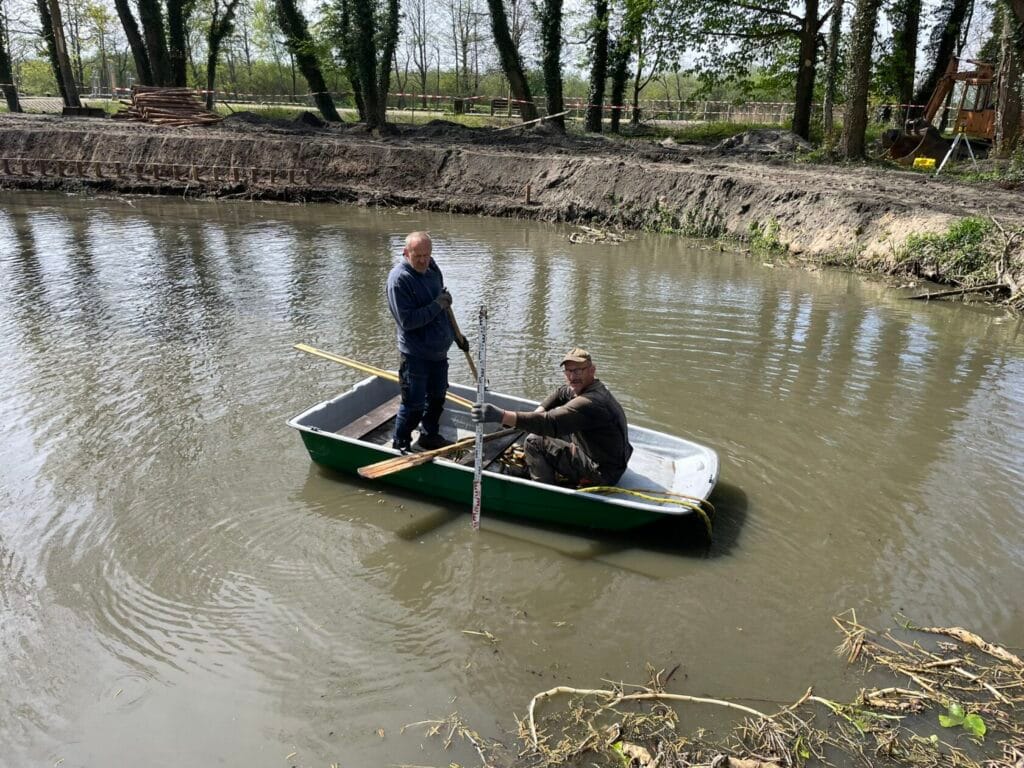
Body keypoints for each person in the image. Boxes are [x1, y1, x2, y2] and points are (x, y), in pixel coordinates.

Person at [471, 347, 633, 486]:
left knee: (534, 441)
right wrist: (537, 412)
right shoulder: (586, 387)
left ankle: (543, 488)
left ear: (592, 370)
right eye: (568, 371)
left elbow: (550, 423)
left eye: (578, 370)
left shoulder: (590, 401)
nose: (572, 376)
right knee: (539, 424)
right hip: (612, 462)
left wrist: (502, 416)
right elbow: (560, 393)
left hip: (602, 473)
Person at [386, 231, 466, 452]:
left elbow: (442, 300)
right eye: (417, 255)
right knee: (414, 404)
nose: (423, 260)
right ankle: (400, 442)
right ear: (405, 253)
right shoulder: (399, 280)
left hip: (439, 354)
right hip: (415, 355)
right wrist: (437, 304)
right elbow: (407, 321)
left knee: (438, 398)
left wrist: (457, 336)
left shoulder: (432, 268)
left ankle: (429, 435)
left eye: (426, 255)